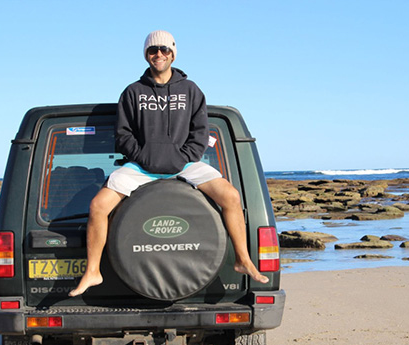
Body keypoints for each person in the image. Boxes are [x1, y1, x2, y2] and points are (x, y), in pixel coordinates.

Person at [69, 30, 268, 297]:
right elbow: (123, 134)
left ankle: (243, 259)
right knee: (98, 206)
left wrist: (181, 158)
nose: (158, 55)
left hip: (185, 164)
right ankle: (93, 271)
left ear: (173, 54)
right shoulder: (133, 92)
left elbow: (200, 133)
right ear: (146, 55)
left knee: (231, 196)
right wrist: (145, 157)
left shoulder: (191, 90)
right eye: (153, 51)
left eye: (164, 50)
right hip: (141, 166)